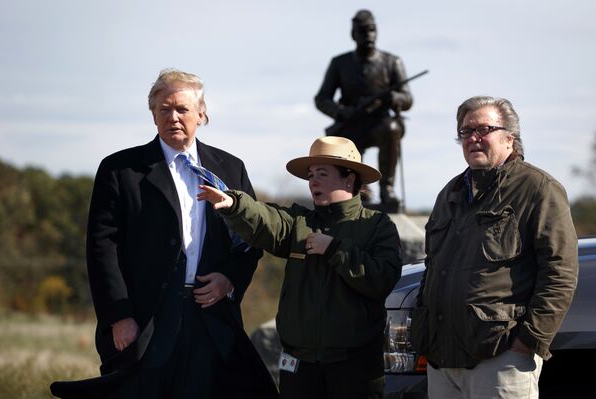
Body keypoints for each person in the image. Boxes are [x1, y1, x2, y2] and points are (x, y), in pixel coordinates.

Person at [50, 68, 277, 399]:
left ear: (202, 114)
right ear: (153, 115)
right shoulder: (119, 170)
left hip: (210, 320)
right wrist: (120, 317)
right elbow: (102, 249)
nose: (173, 117)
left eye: (182, 109)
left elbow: (252, 237)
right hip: (145, 323)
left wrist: (229, 277)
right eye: (164, 109)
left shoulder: (230, 168)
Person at [198, 136, 403, 399]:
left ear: (348, 179)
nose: (312, 181)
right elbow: (267, 220)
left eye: (322, 173)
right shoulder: (299, 221)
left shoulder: (378, 226)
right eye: (310, 175)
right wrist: (235, 205)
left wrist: (335, 250)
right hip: (299, 366)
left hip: (356, 368)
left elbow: (382, 279)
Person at [411, 96, 579, 399]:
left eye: (484, 129)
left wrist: (529, 341)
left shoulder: (538, 188)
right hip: (441, 359)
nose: (473, 138)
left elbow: (560, 272)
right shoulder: (449, 193)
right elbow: (433, 268)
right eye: (465, 132)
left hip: (501, 356)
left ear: (509, 139)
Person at [314, 9, 413, 209]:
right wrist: (341, 113)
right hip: (351, 123)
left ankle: (387, 189)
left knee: (391, 129)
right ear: (353, 34)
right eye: (362, 31)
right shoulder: (339, 63)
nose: (368, 35)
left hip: (380, 122)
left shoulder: (392, 62)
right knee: (347, 141)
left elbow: (408, 98)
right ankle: (359, 190)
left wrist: (393, 97)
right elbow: (322, 98)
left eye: (372, 30)